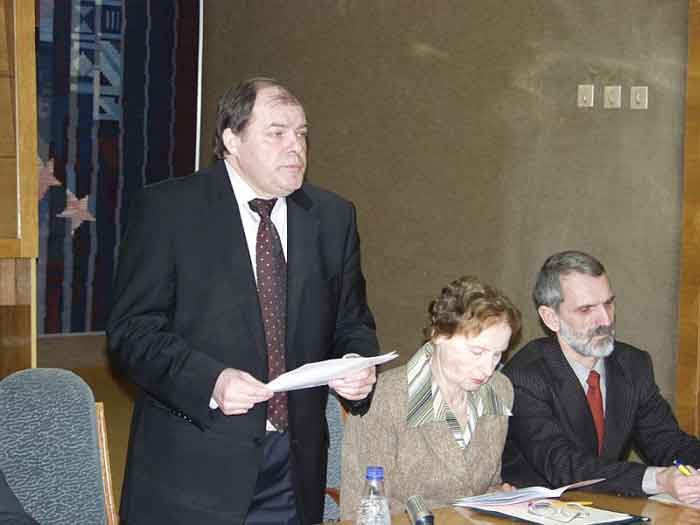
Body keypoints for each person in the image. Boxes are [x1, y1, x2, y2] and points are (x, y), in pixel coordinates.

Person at [107, 77, 379, 525]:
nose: (295, 147)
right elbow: (132, 332)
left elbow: (351, 322)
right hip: (192, 468)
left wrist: (357, 363)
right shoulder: (169, 210)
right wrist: (210, 380)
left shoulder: (333, 217)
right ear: (232, 140)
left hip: (293, 467)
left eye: (302, 133)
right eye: (277, 133)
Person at [502, 250, 700, 503]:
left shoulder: (633, 364)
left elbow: (666, 441)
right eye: (586, 309)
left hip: (609, 508)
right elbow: (563, 465)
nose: (605, 320)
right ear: (551, 318)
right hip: (537, 511)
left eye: (608, 303)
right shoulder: (524, 377)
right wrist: (659, 479)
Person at [340, 276, 522, 520]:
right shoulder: (383, 398)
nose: (488, 368)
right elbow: (362, 510)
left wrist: (499, 496)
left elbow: (484, 485)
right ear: (438, 335)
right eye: (477, 351)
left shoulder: (499, 389)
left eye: (498, 354)